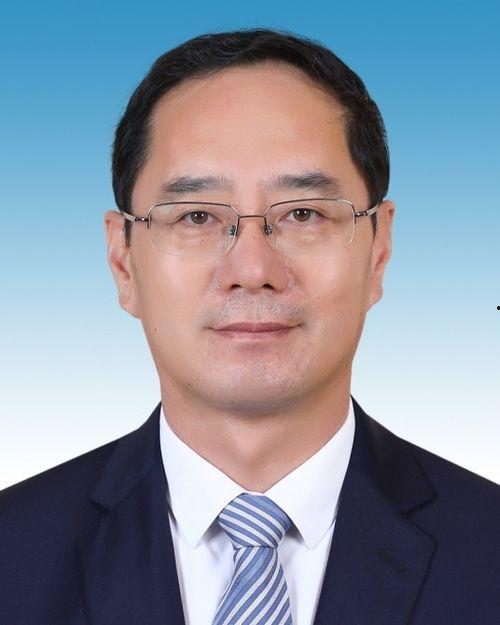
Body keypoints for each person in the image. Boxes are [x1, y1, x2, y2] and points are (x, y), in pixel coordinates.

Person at [0, 27, 499, 625]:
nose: (253, 270)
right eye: (197, 217)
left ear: (379, 251)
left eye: (304, 213)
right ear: (123, 261)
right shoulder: (12, 556)